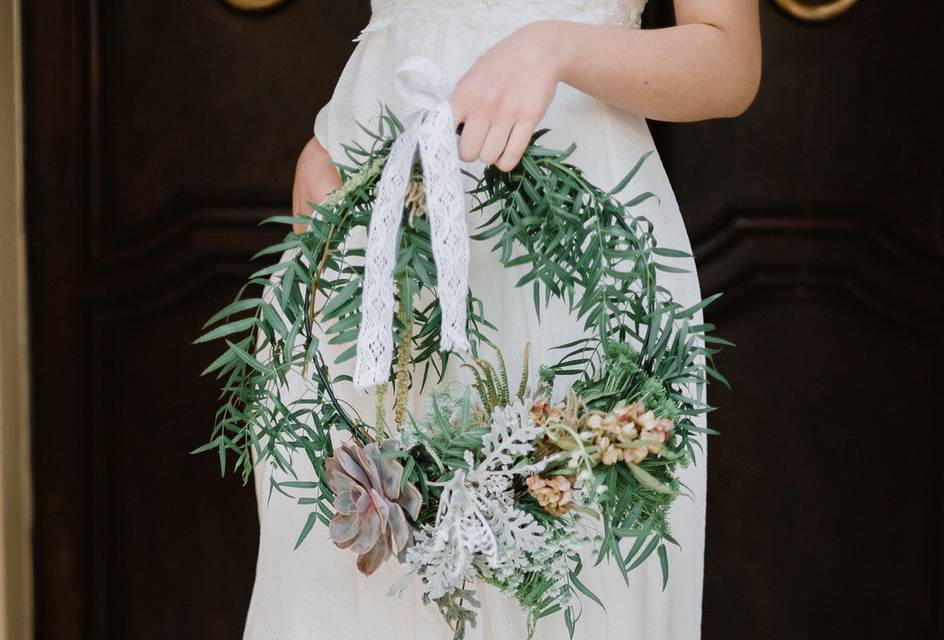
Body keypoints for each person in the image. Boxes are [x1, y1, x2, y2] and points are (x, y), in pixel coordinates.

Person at [246, 1, 761, 638]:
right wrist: (322, 142)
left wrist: (554, 47)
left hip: (568, 259)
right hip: (369, 252)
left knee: (555, 591)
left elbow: (728, 60)